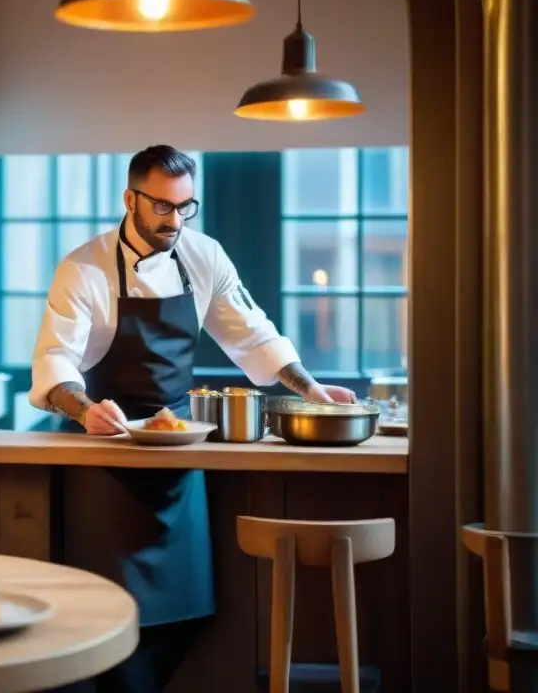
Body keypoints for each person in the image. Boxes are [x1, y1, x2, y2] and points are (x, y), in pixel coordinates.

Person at [29, 145, 356, 693]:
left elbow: (253, 332)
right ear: (130, 199)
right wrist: (85, 411)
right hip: (102, 451)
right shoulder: (82, 268)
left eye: (186, 207)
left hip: (180, 453)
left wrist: (310, 387)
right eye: (161, 206)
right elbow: (54, 361)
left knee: (187, 614)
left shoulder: (204, 256)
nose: (174, 220)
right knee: (106, 616)